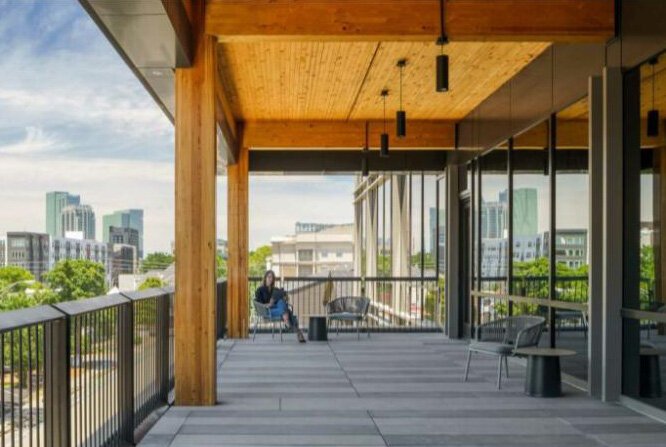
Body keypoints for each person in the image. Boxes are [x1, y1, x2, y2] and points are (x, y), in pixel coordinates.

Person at [254, 270, 306, 343]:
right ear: (265, 278)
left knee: (281, 301)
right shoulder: (259, 290)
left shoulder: (275, 289)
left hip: (277, 309)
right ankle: (298, 331)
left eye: (272, 278)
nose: (270, 279)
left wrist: (285, 297)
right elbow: (259, 305)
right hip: (267, 311)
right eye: (269, 277)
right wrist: (269, 304)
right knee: (288, 312)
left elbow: (285, 298)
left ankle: (288, 321)